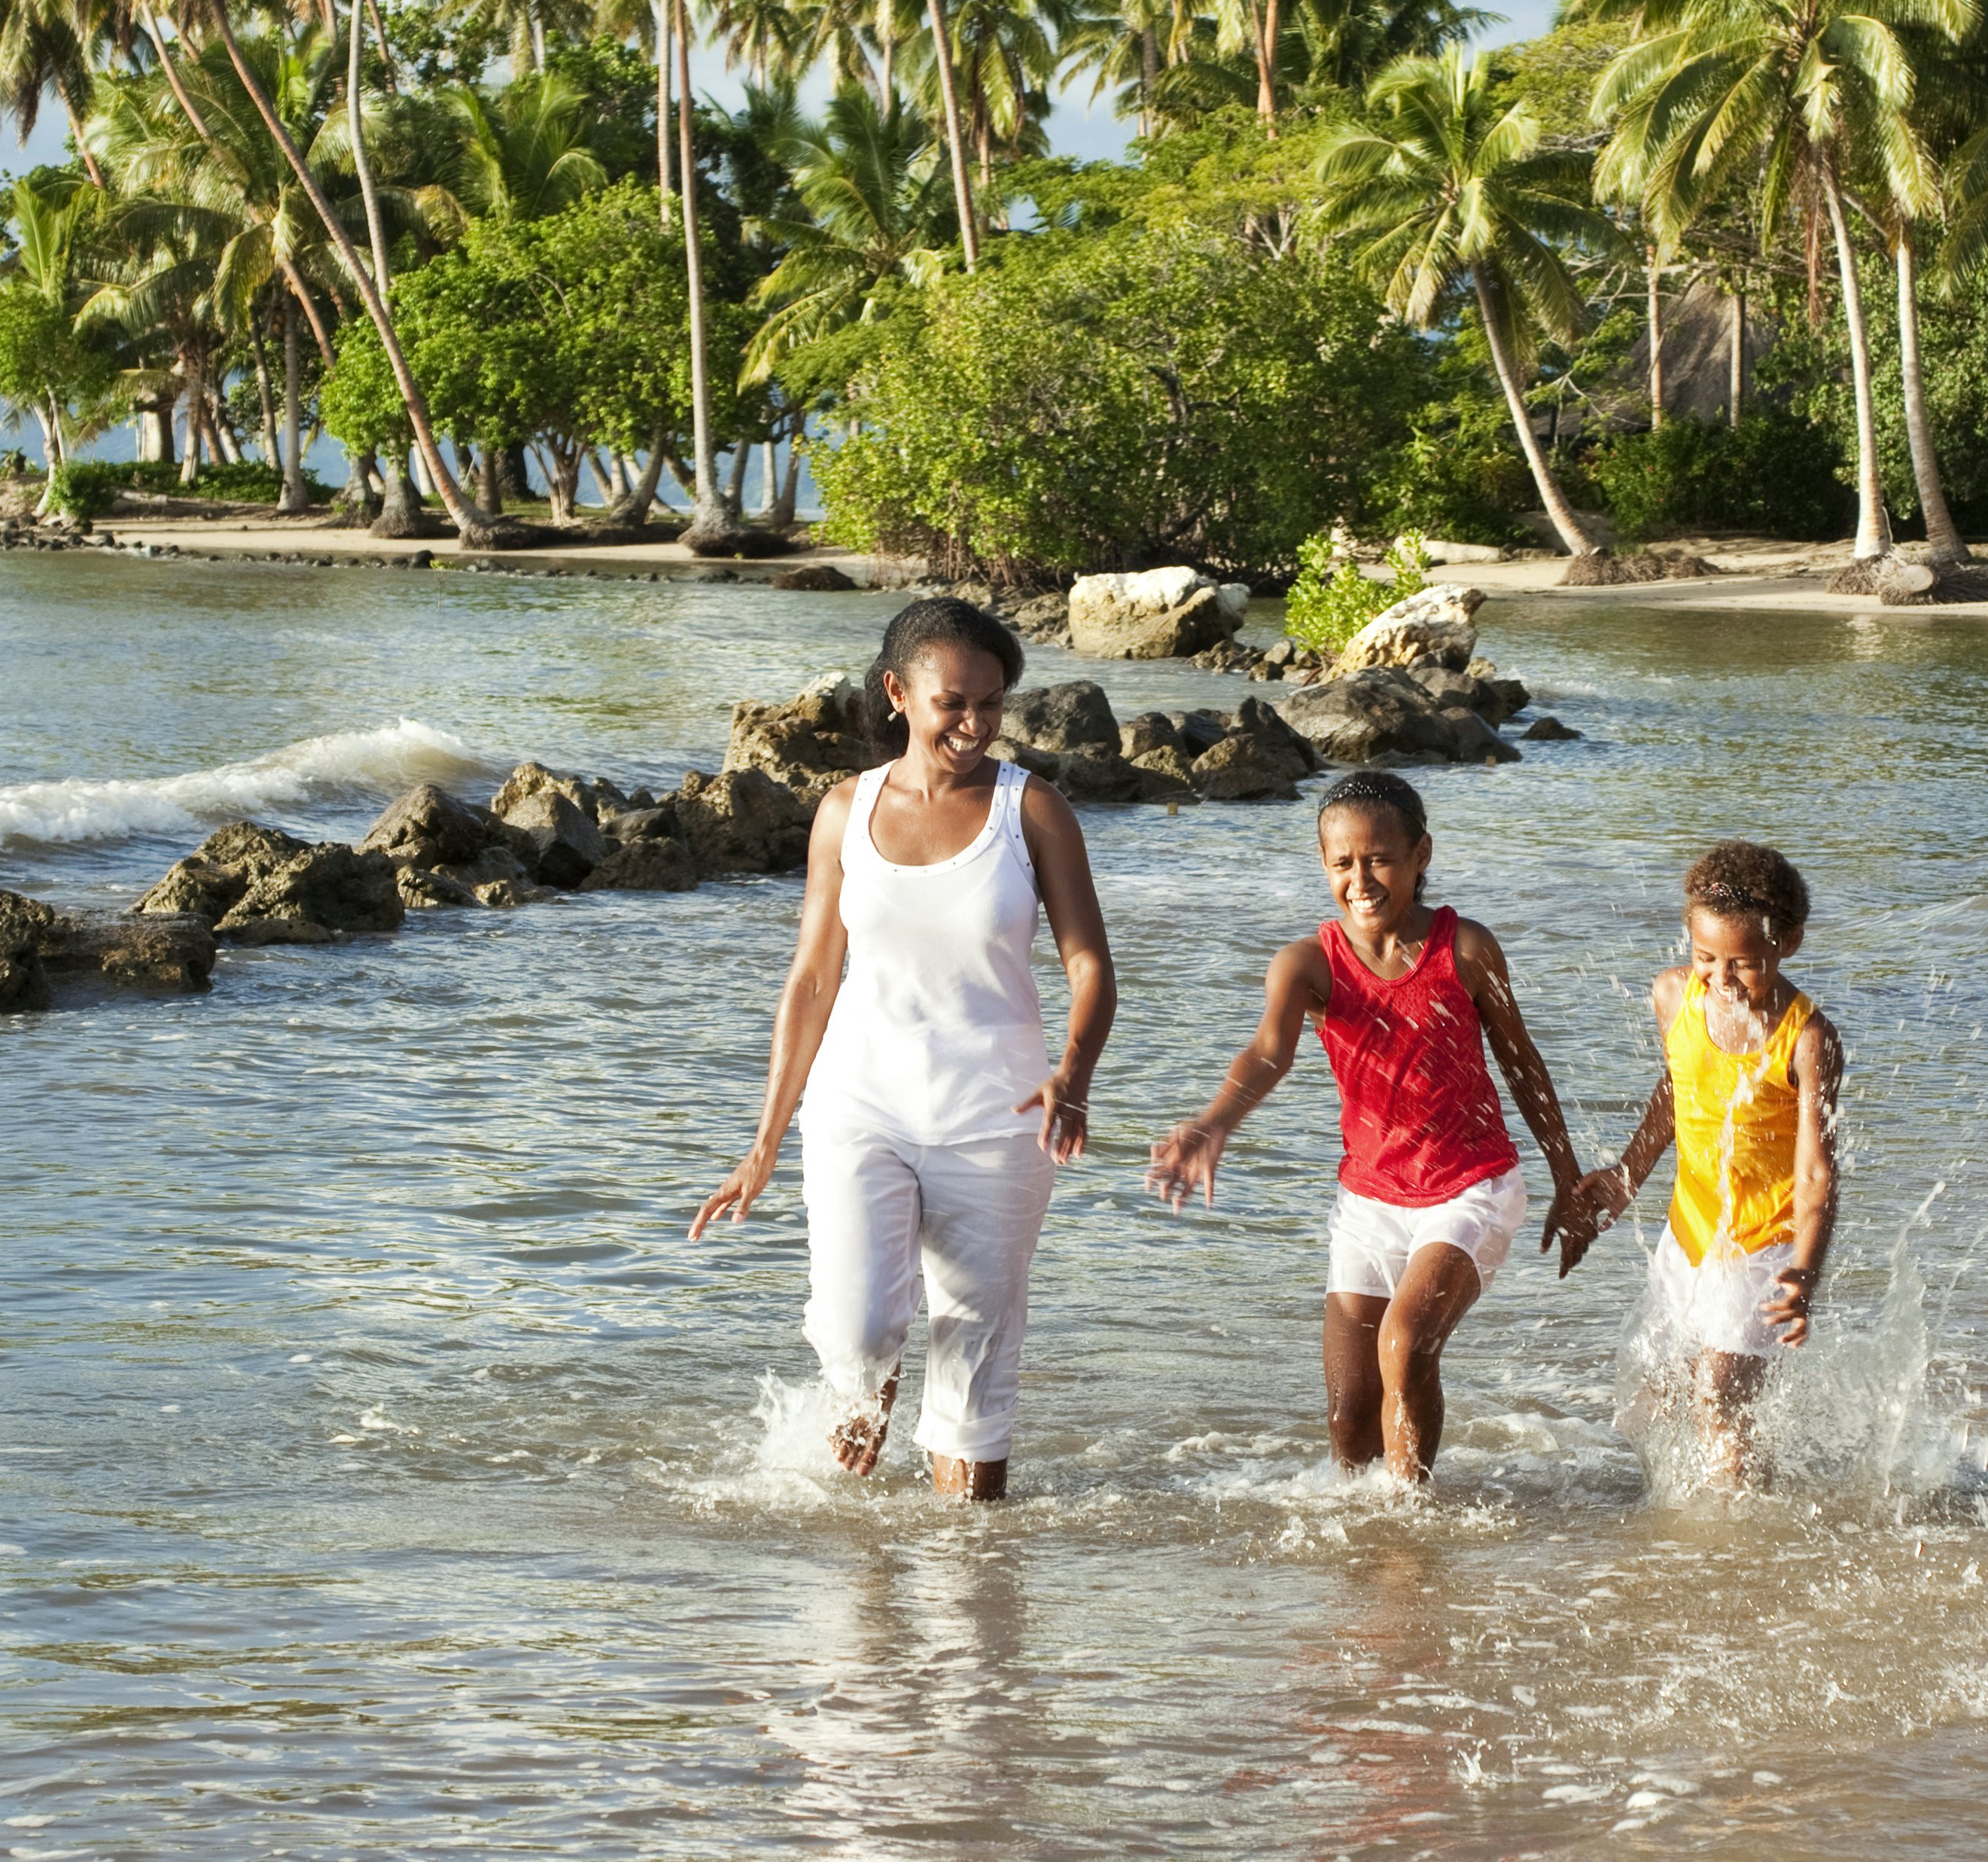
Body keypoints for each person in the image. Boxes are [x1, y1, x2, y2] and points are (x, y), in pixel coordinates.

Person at [691, 598, 1116, 1502]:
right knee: (857, 1330)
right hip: (861, 1106)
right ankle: (873, 1393)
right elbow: (811, 980)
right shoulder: (844, 810)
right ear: (897, 693)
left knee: (976, 1359)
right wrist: (763, 1143)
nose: (974, 724)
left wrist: (1072, 1077)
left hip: (999, 1116)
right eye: (952, 702)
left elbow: (1090, 964)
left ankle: (970, 1574)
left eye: (992, 704)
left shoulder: (1031, 811)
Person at [1146, 769, 1592, 1485]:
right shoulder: (1308, 964)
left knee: (1407, 1344)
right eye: (1342, 863)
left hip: (1470, 1186)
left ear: (1421, 855)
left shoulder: (1467, 950)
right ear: (1323, 865)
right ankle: (1362, 1558)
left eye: (1380, 858)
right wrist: (1212, 1122)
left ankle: (1409, 1531)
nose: (1362, 878)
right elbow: (1269, 1052)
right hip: (1370, 1201)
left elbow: (1522, 1063)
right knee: (1350, 1413)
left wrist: (1568, 1179)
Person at [1557, 841, 1842, 1488]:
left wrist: (1806, 1270)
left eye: (1743, 963)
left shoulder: (1807, 1039)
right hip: (1690, 1234)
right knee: (1658, 1392)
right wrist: (1628, 1175)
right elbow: (1677, 1092)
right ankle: (1696, 1509)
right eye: (1705, 957)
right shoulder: (1673, 996)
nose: (1721, 979)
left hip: (1767, 1241)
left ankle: (1734, 1542)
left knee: (1721, 1398)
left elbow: (1818, 1172)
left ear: (1788, 943)